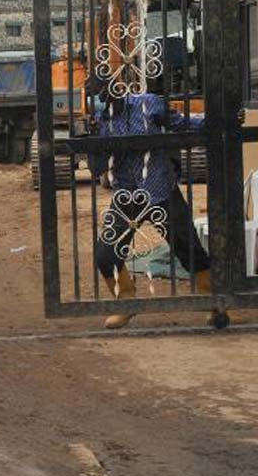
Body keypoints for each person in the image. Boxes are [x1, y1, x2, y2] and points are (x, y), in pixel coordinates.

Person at [90, 85, 211, 329]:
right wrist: (93, 141)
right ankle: (126, 302)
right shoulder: (100, 120)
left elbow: (180, 123)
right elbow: (97, 169)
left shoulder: (148, 103)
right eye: (99, 98)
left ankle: (214, 301)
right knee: (105, 254)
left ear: (117, 89)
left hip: (161, 190)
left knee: (189, 248)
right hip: (127, 195)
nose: (104, 100)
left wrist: (217, 121)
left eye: (107, 94)